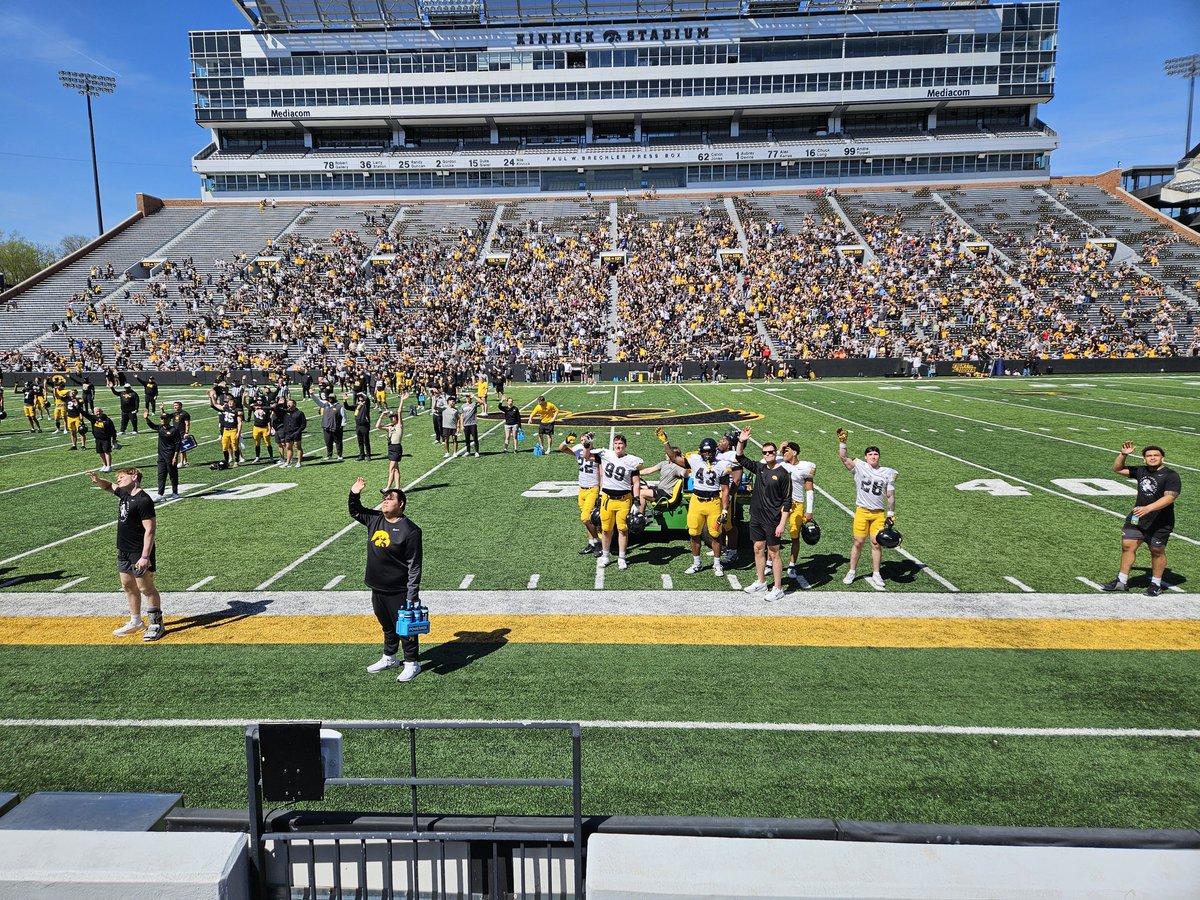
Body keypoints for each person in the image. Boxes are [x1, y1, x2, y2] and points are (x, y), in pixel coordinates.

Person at [349, 478, 423, 683]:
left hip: (398, 589)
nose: (385, 501)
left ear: (401, 504)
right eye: (384, 498)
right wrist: (354, 493)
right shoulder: (375, 519)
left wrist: (412, 594)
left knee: (405, 628)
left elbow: (414, 564)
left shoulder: (411, 530)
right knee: (387, 625)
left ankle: (412, 663)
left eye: (390, 499)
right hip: (377, 586)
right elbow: (355, 511)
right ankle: (390, 657)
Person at [87, 467, 164, 641]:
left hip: (139, 551)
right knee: (128, 585)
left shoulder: (144, 500)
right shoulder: (125, 494)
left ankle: (156, 624)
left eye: (122, 477)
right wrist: (98, 481)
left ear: (134, 476)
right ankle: (136, 621)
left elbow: (150, 530)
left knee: (146, 588)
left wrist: (145, 557)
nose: (119, 480)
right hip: (123, 550)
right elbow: (108, 487)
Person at [1101, 442, 1181, 597]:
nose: (1152, 458)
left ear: (1162, 458)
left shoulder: (1171, 475)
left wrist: (1148, 508)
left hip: (1160, 521)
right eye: (1149, 456)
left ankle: (1156, 584)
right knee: (1127, 546)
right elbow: (1117, 469)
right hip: (1137, 517)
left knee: (1156, 551)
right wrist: (1123, 455)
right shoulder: (1141, 470)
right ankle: (1121, 581)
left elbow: (1170, 498)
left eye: (1156, 455)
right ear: (1144, 459)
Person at [662, 432, 730, 578]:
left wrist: (725, 509)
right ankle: (697, 563)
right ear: (700, 451)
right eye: (705, 451)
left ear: (714, 451)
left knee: (715, 534)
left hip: (714, 502)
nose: (707, 454)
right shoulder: (694, 460)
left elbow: (725, 490)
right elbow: (674, 458)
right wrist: (665, 442)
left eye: (710, 451)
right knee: (694, 533)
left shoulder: (723, 465)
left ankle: (717, 564)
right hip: (696, 501)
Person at [837, 428, 897, 590]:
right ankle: (852, 571)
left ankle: (876, 573)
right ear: (865, 457)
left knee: (876, 544)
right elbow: (843, 458)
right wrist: (843, 441)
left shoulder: (888, 473)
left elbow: (890, 495)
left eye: (875, 454)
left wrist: (891, 513)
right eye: (870, 454)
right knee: (858, 542)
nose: (873, 456)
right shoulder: (860, 467)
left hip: (878, 513)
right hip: (862, 511)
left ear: (879, 457)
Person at [735, 426, 791, 600]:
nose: (768, 454)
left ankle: (778, 587)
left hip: (772, 519)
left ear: (776, 453)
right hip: (756, 516)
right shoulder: (760, 468)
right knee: (758, 548)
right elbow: (740, 457)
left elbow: (787, 501)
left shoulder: (783, 474)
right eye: (765, 452)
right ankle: (760, 581)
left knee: (774, 552)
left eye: (771, 452)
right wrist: (741, 441)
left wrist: (782, 523)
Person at [582, 434, 643, 570]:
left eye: (620, 444)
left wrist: (637, 500)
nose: (618, 446)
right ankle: (605, 556)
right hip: (607, 499)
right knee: (606, 529)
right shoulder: (606, 455)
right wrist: (586, 445)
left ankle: (622, 557)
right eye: (616, 443)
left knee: (622, 529)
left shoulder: (632, 460)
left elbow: (636, 482)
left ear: (625, 445)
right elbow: (587, 456)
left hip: (624, 500)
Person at [557, 430, 602, 556]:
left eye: (585, 440)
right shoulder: (578, 449)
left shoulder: (597, 453)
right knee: (588, 519)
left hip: (593, 488)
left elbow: (601, 474)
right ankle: (591, 543)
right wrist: (566, 440)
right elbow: (562, 448)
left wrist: (601, 491)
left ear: (591, 440)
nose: (583, 442)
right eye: (582, 440)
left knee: (585, 518)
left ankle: (598, 543)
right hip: (581, 489)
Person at [779, 441, 817, 589]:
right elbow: (765, 460)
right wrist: (779, 449)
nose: (784, 453)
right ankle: (770, 563)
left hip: (797, 504)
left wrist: (809, 510)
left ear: (794, 452)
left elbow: (809, 490)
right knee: (774, 534)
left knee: (794, 534)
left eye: (786, 451)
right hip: (781, 503)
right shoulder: (780, 463)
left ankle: (792, 565)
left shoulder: (806, 467)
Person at [144, 407, 183, 499]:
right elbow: (152, 426)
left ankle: (175, 493)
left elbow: (178, 444)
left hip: (170, 456)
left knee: (172, 475)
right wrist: (146, 418)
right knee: (161, 475)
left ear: (169, 420)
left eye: (164, 418)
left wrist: (175, 457)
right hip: (161, 456)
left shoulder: (174, 430)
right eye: (161, 418)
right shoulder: (160, 428)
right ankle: (160, 494)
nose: (162, 420)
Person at [211, 394, 243, 468]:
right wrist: (212, 397)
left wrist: (238, 432)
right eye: (229, 402)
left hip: (233, 430)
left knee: (235, 446)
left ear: (234, 403)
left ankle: (236, 462)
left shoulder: (237, 411)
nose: (230, 403)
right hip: (225, 430)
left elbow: (240, 423)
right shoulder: (225, 408)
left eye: (231, 402)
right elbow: (215, 404)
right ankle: (226, 462)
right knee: (224, 446)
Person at [82, 406, 117, 471]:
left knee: (107, 452)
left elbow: (113, 430)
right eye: (96, 412)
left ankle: (109, 466)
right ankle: (105, 465)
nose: (98, 413)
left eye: (99, 411)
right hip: (98, 439)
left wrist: (114, 439)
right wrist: (77, 407)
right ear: (94, 413)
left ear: (102, 412)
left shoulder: (107, 420)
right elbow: (84, 414)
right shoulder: (93, 419)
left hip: (106, 439)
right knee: (100, 452)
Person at [313, 390, 345, 462]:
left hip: (336, 427)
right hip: (326, 427)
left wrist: (342, 425)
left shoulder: (339, 406)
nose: (330, 399)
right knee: (328, 442)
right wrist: (312, 395)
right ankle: (329, 455)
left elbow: (344, 416)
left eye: (331, 398)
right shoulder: (325, 405)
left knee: (338, 442)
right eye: (329, 398)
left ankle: (339, 455)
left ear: (334, 398)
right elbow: (317, 401)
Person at [377, 409, 405, 490]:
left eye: (393, 417)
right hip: (391, 448)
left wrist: (402, 400)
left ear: (397, 418)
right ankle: (397, 487)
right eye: (391, 417)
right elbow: (378, 426)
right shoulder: (390, 427)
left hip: (396, 448)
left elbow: (399, 411)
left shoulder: (399, 426)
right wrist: (381, 416)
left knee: (391, 468)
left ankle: (388, 487)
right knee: (395, 469)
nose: (391, 419)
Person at [249, 396, 275, 463]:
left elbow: (269, 419)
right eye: (258, 400)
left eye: (260, 400)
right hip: (256, 427)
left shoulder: (266, 408)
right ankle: (257, 457)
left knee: (267, 443)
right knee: (257, 443)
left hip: (264, 427)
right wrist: (244, 398)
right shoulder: (254, 407)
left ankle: (271, 457)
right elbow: (246, 405)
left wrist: (269, 429)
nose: (259, 401)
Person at [352, 392, 375, 461]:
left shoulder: (366, 404)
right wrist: (345, 401)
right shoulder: (357, 405)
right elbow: (348, 407)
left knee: (366, 441)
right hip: (358, 425)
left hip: (365, 425)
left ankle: (368, 455)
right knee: (360, 441)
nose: (360, 398)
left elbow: (367, 398)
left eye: (361, 396)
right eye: (359, 397)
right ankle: (361, 455)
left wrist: (362, 393)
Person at [171, 401, 193, 467]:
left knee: (181, 448)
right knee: (181, 448)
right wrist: (162, 409)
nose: (175, 407)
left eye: (176, 405)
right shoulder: (174, 414)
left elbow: (187, 424)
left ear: (180, 406)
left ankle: (181, 462)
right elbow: (166, 416)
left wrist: (186, 433)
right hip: (175, 433)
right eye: (174, 405)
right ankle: (185, 461)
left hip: (182, 433)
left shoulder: (185, 414)